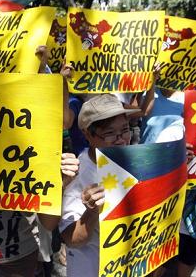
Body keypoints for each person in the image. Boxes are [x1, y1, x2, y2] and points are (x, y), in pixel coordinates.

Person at [59, 94, 140, 277]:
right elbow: (72, 239)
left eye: (125, 130)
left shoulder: (136, 159)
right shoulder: (77, 173)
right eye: (110, 133)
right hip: (92, 269)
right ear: (88, 134)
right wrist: (92, 211)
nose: (121, 139)